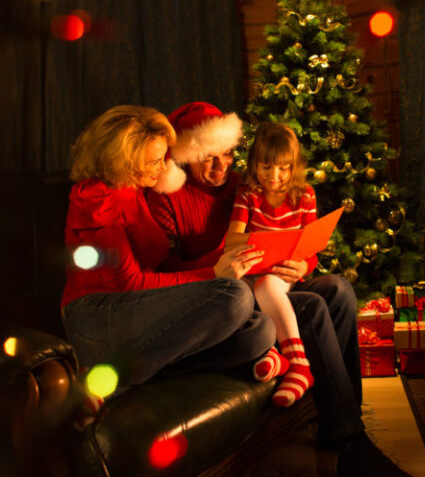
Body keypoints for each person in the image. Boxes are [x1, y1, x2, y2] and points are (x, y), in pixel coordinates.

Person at [145, 102, 410, 476]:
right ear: (186, 156)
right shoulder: (166, 197)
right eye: (208, 158)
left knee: (338, 289)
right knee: (314, 308)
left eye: (227, 155)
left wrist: (304, 264)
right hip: (230, 296)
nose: (221, 167)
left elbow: (293, 237)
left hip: (277, 280)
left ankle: (349, 421)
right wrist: (216, 265)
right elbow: (163, 273)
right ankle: (349, 444)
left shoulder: (243, 182)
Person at [60, 105, 285, 389]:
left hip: (141, 310)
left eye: (163, 158)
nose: (163, 167)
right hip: (99, 315)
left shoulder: (137, 189)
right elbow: (131, 283)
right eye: (154, 161)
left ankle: (134, 371)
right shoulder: (97, 199)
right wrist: (214, 274)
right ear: (123, 160)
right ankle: (108, 375)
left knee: (259, 331)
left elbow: (160, 270)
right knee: (235, 295)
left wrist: (224, 261)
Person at [226, 122, 317, 408]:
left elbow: (311, 247)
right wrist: (252, 243)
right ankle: (269, 356)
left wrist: (303, 266)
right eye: (266, 167)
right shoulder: (247, 194)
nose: (274, 176)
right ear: (254, 164)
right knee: (234, 293)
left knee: (267, 285)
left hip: (281, 272)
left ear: (294, 166)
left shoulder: (304, 195)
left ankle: (298, 364)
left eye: (282, 168)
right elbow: (232, 240)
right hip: (253, 268)